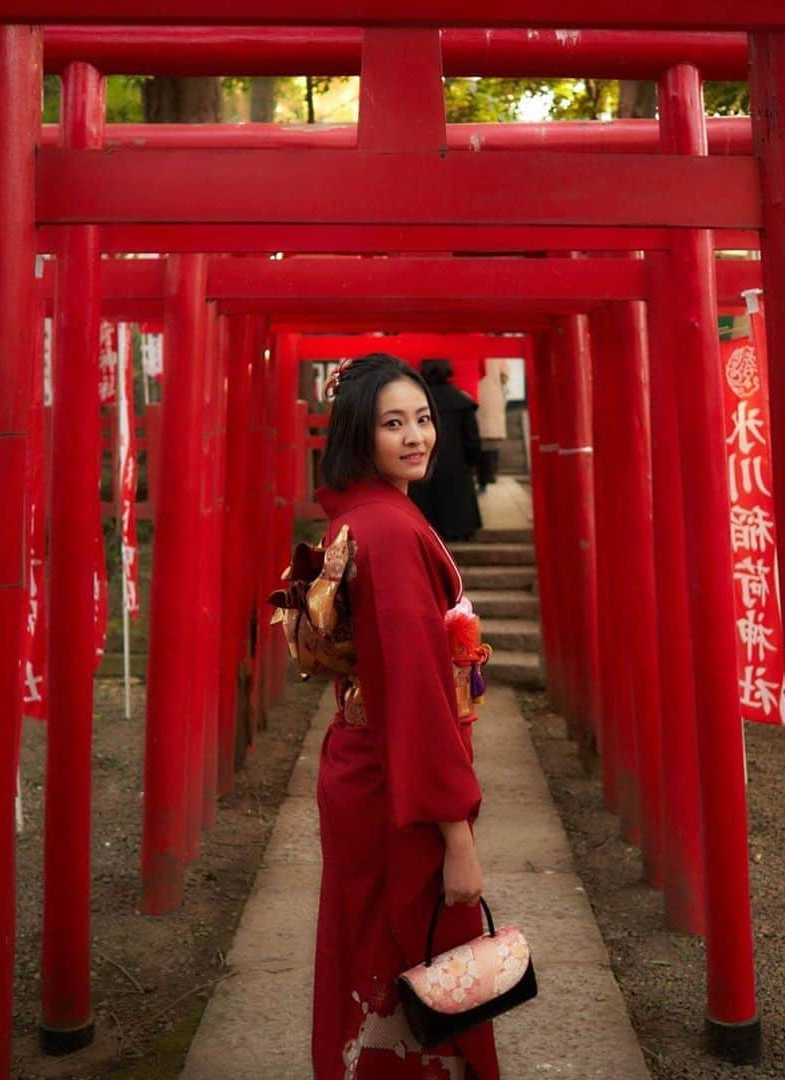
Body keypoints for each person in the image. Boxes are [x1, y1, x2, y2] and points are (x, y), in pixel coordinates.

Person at [311, 353, 498, 1080]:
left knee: (379, 954)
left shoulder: (376, 515)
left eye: (422, 419)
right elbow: (418, 693)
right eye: (394, 424)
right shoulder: (388, 532)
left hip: (375, 767)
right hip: (400, 786)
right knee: (415, 962)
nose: (417, 436)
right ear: (360, 434)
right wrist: (457, 833)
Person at [408, 358, 482, 541]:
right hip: (456, 466)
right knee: (458, 504)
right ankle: (461, 531)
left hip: (424, 463)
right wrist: (472, 461)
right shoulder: (462, 402)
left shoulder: (415, 403)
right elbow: (472, 440)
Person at [474, 357, 510, 492]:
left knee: (476, 439)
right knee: (490, 443)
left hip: (475, 393)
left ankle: (480, 478)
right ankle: (487, 478)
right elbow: (505, 376)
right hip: (493, 397)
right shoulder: (499, 355)